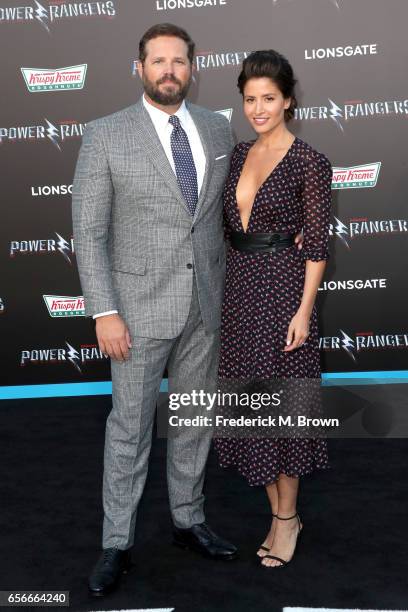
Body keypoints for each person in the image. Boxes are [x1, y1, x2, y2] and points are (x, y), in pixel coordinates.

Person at [72, 23, 239, 597]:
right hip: (136, 314)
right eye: (158, 60)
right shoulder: (105, 134)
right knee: (129, 432)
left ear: (193, 67)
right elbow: (89, 233)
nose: (169, 70)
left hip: (205, 308)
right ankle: (116, 541)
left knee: (194, 421)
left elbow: (224, 216)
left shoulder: (219, 128)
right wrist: (104, 312)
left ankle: (188, 521)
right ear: (138, 67)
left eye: (179, 61)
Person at [214, 49, 333, 568]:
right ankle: (279, 513)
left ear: (288, 100)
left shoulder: (310, 161)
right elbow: (227, 228)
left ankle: (287, 520)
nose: (258, 109)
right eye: (249, 99)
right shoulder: (239, 154)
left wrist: (304, 312)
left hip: (284, 294)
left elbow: (317, 245)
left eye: (269, 99)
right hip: (240, 295)